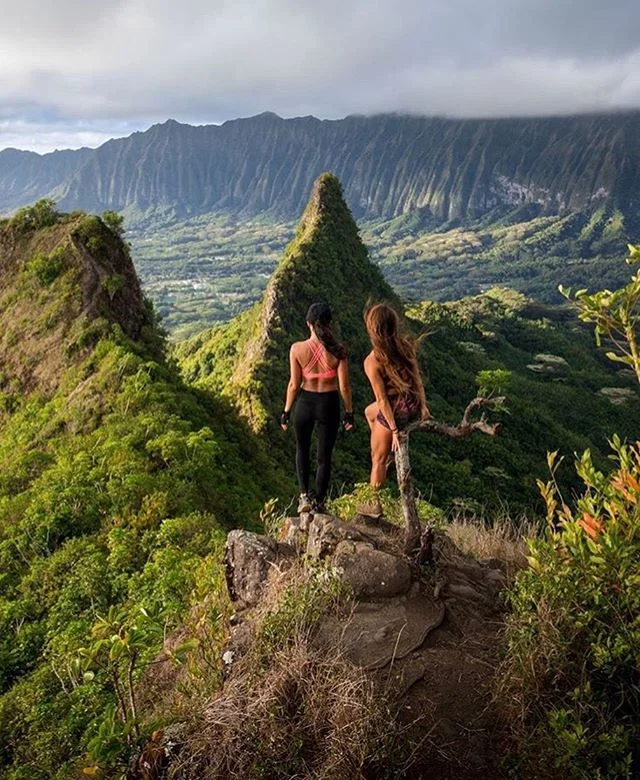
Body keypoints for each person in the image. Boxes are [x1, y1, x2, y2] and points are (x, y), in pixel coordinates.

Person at [281, 303, 353, 514]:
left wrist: (286, 411)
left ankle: (304, 497)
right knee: (324, 456)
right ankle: (319, 503)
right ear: (329, 324)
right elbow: (345, 387)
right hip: (328, 404)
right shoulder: (338, 351)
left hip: (304, 404)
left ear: (308, 324)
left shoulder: (297, 349)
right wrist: (349, 413)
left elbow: (294, 384)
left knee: (302, 449)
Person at [360, 302, 429, 518]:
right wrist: (424, 406)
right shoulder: (405, 346)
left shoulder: (372, 361)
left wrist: (394, 431)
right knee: (368, 413)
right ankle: (385, 443)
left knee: (376, 459)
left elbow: (382, 400)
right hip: (412, 403)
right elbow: (417, 378)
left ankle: (374, 506)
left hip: (396, 410)